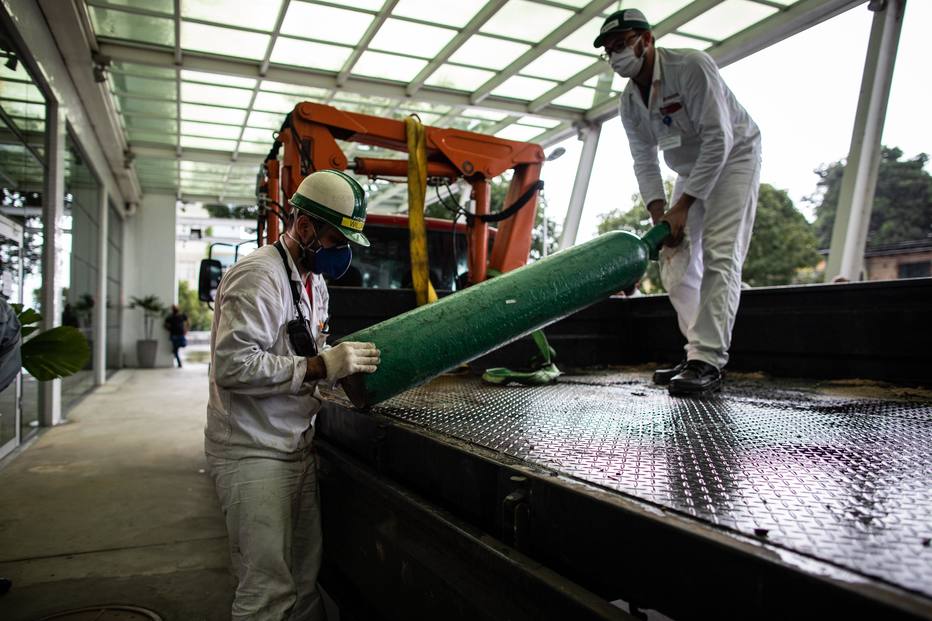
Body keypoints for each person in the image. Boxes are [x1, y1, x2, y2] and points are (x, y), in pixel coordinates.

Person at [205, 169, 380, 621]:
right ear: (304, 227)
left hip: (296, 448)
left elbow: (302, 347)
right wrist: (321, 366)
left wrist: (337, 369)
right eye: (334, 239)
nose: (340, 252)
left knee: (304, 582)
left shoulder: (312, 281)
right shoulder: (259, 277)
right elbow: (233, 366)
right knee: (267, 591)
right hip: (252, 454)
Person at [595, 9, 762, 396]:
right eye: (609, 51)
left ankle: (708, 359)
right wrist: (660, 215)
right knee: (675, 262)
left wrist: (683, 207)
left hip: (734, 156)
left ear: (646, 39)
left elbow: (719, 138)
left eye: (621, 45)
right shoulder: (628, 103)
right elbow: (644, 160)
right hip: (690, 169)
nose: (616, 56)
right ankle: (695, 351)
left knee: (721, 254)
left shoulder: (691, 67)